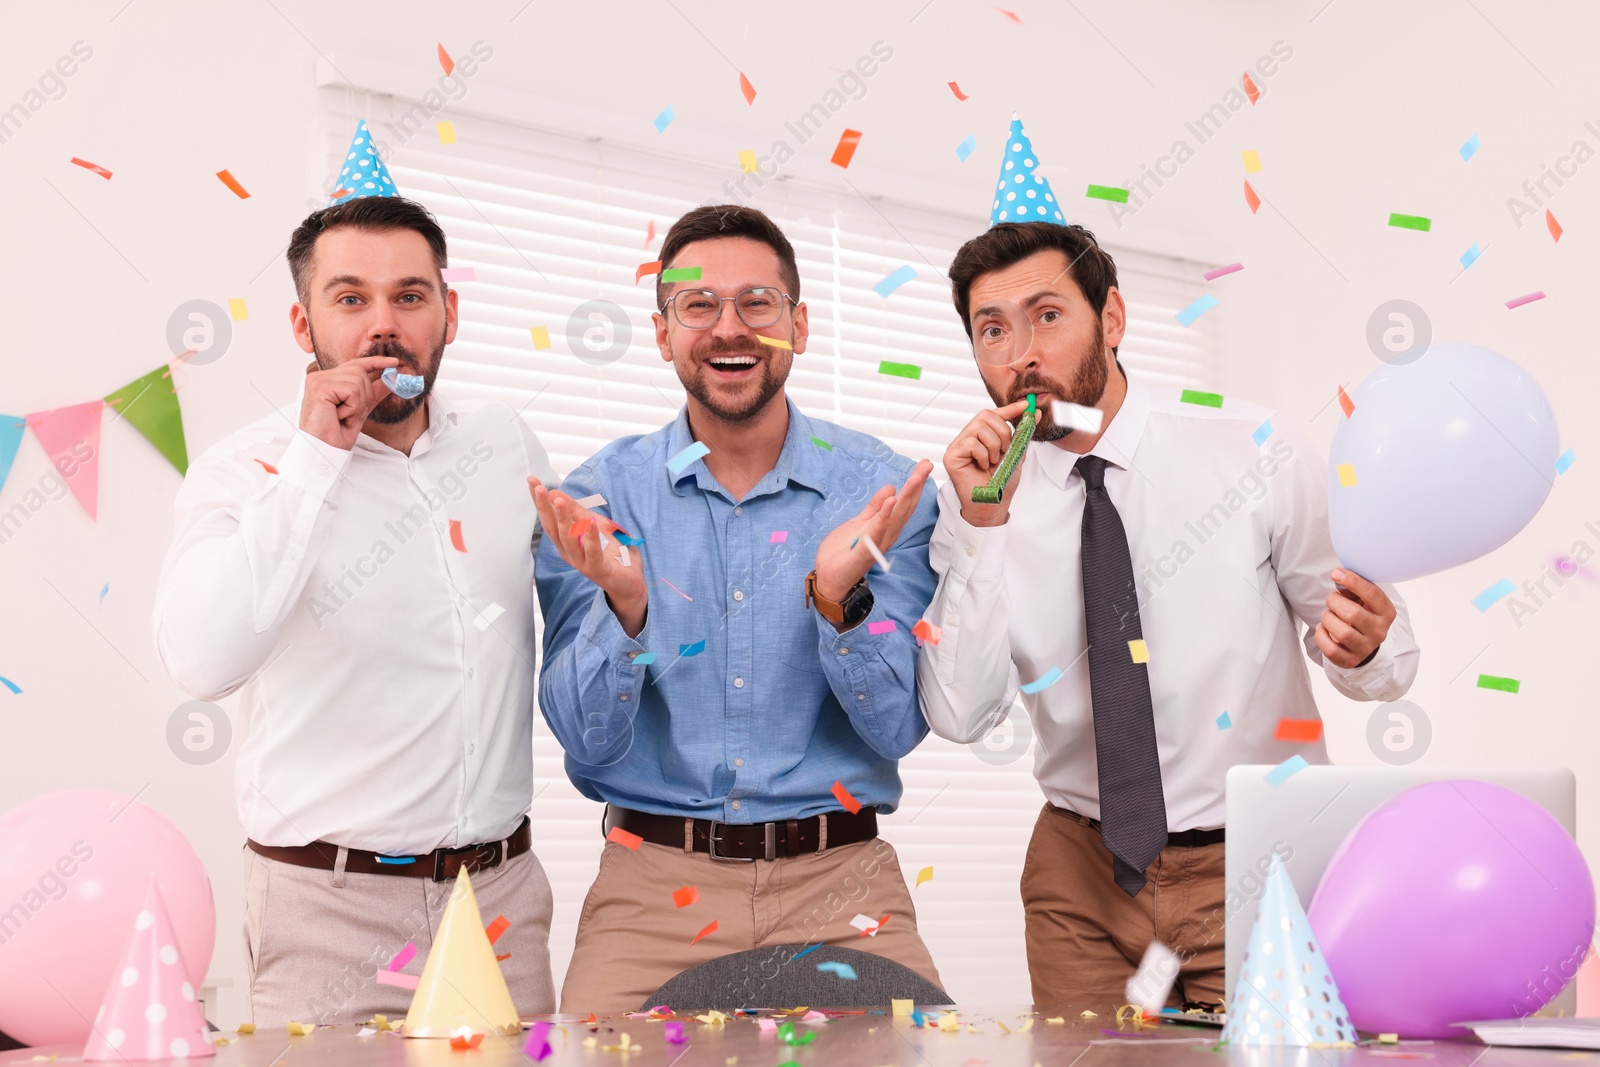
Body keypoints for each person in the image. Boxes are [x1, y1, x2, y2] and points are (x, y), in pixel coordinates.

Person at [916, 221, 1420, 1009]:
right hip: (1079, 875)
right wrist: (982, 532)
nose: (1021, 353)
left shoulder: (1256, 450)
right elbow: (962, 713)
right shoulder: (974, 500)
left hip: (1258, 857)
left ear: (1110, 318)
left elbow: (1378, 666)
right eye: (992, 329)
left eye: (1048, 315)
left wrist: (1368, 648)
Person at [152, 194, 559, 1025]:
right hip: (326, 907)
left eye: (410, 296)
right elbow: (199, 663)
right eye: (350, 299)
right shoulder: (243, 471)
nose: (384, 324)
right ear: (304, 328)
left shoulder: (505, 446)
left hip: (501, 901)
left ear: (449, 313)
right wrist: (314, 462)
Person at [533, 204, 944, 1011]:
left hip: (842, 883)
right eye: (698, 306)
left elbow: (897, 727)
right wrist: (625, 605)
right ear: (663, 333)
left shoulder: (883, 491)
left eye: (757, 303)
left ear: (798, 323)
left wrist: (839, 601)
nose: (731, 329)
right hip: (652, 889)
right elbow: (583, 738)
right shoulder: (597, 499)